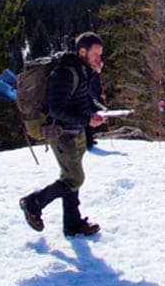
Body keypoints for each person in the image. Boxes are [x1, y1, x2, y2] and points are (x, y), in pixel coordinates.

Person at [19, 32, 106, 237]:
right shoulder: (65, 73)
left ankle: (72, 223)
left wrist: (99, 110)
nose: (98, 59)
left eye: (99, 55)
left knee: (70, 177)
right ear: (81, 51)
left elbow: (82, 99)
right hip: (62, 133)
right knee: (74, 179)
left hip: (74, 131)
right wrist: (87, 120)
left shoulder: (82, 69)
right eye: (95, 54)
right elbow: (57, 109)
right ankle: (33, 203)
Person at [85, 61, 107, 149]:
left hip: (91, 100)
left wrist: (101, 97)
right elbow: (92, 90)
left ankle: (90, 138)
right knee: (88, 119)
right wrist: (99, 98)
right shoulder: (92, 75)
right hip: (88, 100)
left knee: (90, 119)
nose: (100, 69)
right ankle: (88, 140)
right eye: (99, 67)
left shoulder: (96, 75)